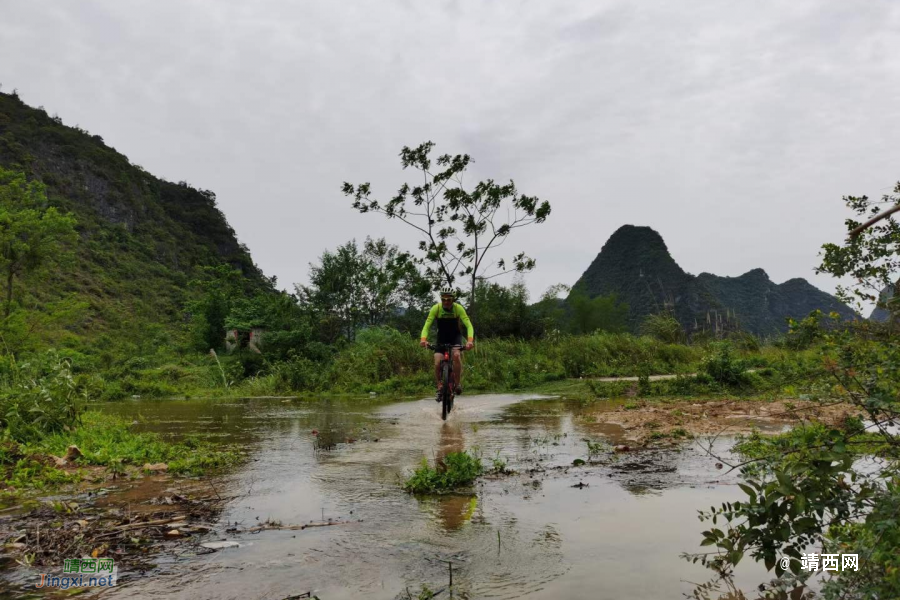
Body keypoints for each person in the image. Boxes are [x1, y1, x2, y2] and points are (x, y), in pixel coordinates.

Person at [419, 287, 475, 400]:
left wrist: (469, 341)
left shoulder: (458, 308)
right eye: (443, 299)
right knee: (437, 362)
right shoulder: (436, 308)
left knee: (456, 355)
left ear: (453, 299)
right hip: (441, 338)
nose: (446, 302)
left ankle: (457, 383)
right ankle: (439, 385)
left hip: (455, 337)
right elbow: (427, 325)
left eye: (448, 300)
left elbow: (469, 325)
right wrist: (423, 339)